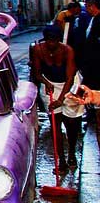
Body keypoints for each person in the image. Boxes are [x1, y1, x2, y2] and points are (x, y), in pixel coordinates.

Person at [31, 25, 82, 172]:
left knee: (71, 122)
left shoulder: (67, 51)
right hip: (50, 84)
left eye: (54, 41)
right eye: (48, 41)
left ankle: (71, 153)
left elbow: (70, 77)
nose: (51, 44)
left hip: (69, 85)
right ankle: (61, 160)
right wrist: (46, 83)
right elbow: (37, 73)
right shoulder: (38, 50)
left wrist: (60, 99)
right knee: (55, 123)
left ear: (59, 40)